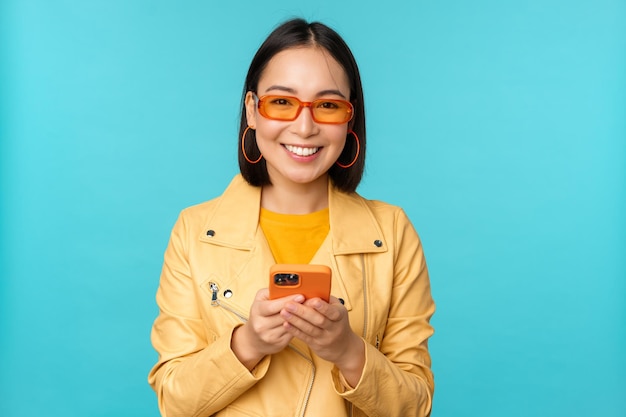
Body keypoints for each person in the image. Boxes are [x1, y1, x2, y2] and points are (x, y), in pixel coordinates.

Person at [148, 18, 435, 417]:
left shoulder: (391, 231)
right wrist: (247, 344)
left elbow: (415, 405)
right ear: (252, 110)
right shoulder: (195, 232)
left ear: (349, 119)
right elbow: (174, 402)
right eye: (281, 102)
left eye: (328, 105)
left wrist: (348, 350)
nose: (304, 126)